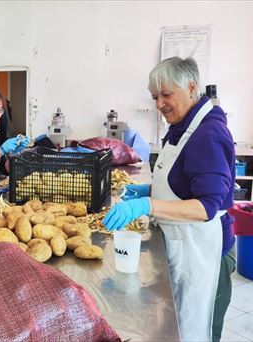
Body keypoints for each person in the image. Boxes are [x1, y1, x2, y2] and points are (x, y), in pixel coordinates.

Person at [103, 57, 236, 342]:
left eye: (166, 94)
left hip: (204, 252)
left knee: (198, 329)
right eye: (155, 97)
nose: (159, 104)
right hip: (182, 244)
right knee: (175, 328)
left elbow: (206, 206)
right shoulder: (181, 128)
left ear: (191, 88)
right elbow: (183, 184)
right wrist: (149, 192)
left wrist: (147, 205)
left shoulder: (208, 134)